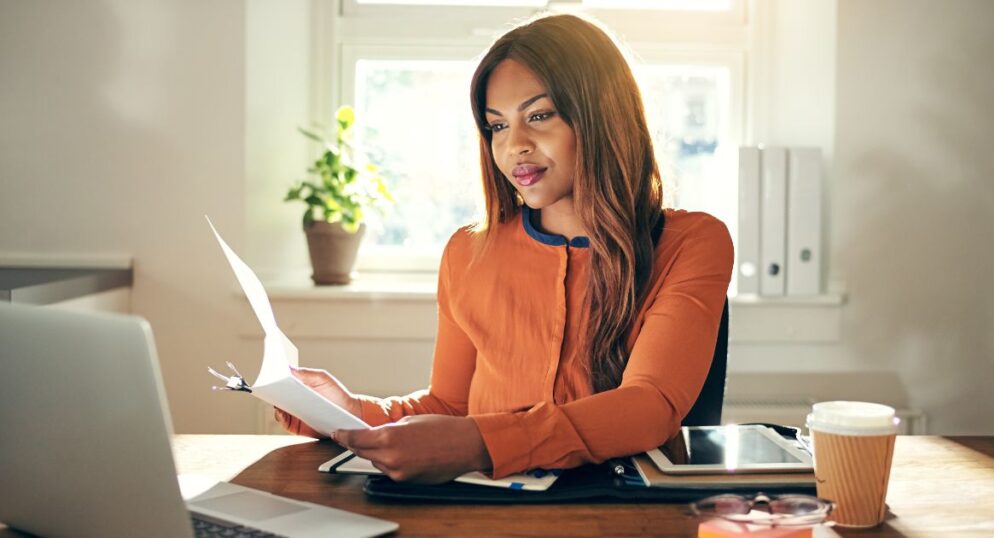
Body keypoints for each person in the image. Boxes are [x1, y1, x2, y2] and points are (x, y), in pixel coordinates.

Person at [275, 13, 733, 484]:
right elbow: (450, 408)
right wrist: (350, 412)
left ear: (602, 114)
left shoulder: (693, 242)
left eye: (538, 116)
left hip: (619, 514)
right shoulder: (467, 252)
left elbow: (648, 406)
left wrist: (479, 443)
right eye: (497, 126)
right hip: (483, 513)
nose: (514, 145)